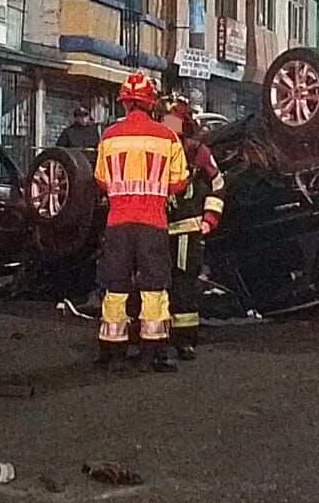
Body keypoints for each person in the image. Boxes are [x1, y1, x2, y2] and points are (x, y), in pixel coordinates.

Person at [93, 72, 189, 372]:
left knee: (116, 287)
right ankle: (152, 352)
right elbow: (180, 183)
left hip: (118, 222)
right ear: (151, 104)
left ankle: (113, 352)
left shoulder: (109, 136)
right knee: (153, 288)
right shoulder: (167, 136)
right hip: (153, 223)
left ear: (124, 103)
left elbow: (101, 180)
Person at [162, 99, 225, 362]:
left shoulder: (196, 151)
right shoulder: (160, 147)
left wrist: (209, 218)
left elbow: (217, 185)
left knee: (184, 284)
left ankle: (184, 339)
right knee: (156, 284)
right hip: (156, 228)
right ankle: (156, 336)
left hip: (186, 229)